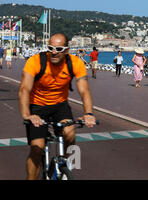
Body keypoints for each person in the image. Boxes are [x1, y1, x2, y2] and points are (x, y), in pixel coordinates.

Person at [18, 33, 96, 180]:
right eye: (50, 48)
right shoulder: (35, 61)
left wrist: (89, 113)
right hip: (37, 106)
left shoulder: (75, 63)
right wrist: (27, 115)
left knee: (70, 132)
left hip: (60, 105)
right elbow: (24, 90)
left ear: (67, 50)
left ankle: (64, 165)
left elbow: (84, 90)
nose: (54, 52)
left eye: (59, 48)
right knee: (37, 147)